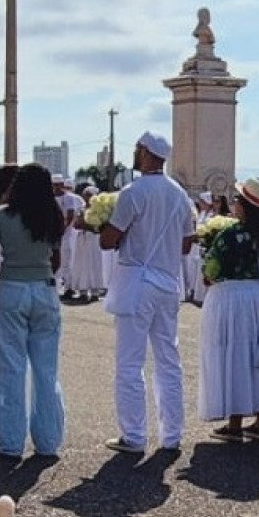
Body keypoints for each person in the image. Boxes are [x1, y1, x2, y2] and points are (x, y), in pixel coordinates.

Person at [100, 131, 196, 454]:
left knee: (130, 362)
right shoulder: (181, 195)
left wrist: (102, 227)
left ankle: (135, 435)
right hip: (168, 283)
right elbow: (186, 243)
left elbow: (108, 240)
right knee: (169, 360)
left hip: (137, 283)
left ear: (145, 153)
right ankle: (172, 435)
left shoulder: (133, 192)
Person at [200, 177, 259, 442]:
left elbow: (210, 274)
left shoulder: (229, 235)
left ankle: (234, 424)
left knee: (236, 357)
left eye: (237, 201)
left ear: (246, 206)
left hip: (235, 301)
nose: (234, 205)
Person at [0, 163, 65, 459]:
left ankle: (11, 442)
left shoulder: (1, 215)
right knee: (46, 369)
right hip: (44, 287)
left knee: (10, 367)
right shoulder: (53, 215)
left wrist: (4, 276)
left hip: (12, 286)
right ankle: (47, 441)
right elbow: (56, 261)